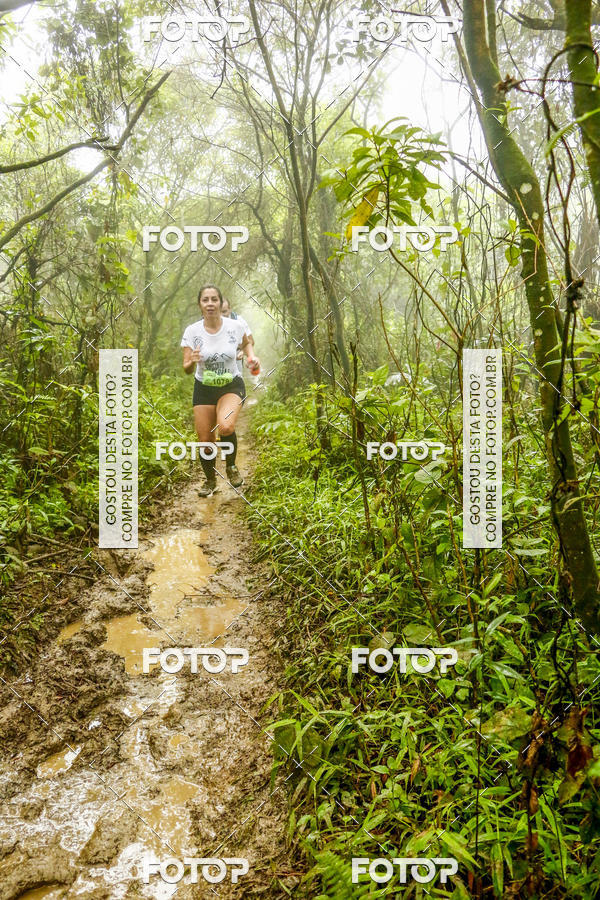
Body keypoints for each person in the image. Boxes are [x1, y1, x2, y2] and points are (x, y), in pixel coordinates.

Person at [181, 284, 260, 496]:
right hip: (204, 388)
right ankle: (210, 481)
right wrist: (193, 361)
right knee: (206, 443)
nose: (210, 304)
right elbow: (186, 368)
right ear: (200, 305)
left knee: (225, 426)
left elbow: (247, 344)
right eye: (205, 300)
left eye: (214, 299)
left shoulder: (234, 326)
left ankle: (231, 467)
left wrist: (251, 357)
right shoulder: (192, 331)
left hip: (230, 385)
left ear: (220, 302)